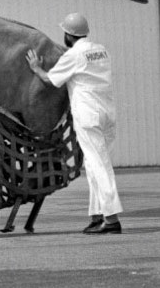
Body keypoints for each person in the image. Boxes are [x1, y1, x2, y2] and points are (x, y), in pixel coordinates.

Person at [27, 13, 122, 235]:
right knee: (93, 164)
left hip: (89, 115)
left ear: (68, 35)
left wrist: (36, 68)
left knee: (99, 165)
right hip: (107, 112)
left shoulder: (74, 54)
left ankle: (111, 219)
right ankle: (97, 215)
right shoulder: (101, 50)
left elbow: (51, 80)